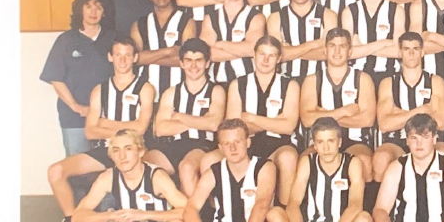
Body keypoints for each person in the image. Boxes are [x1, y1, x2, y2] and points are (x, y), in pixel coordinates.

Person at [43, 36, 155, 222]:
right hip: (107, 149)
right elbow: (90, 131)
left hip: (134, 152)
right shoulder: (100, 90)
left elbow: (140, 129)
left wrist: (105, 122)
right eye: (118, 55)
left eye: (127, 55)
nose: (123, 60)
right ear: (110, 57)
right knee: (56, 171)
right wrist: (124, 126)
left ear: (135, 58)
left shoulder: (145, 88)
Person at [174, 119, 282, 222]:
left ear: (248, 142)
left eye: (237, 142)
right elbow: (190, 209)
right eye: (227, 143)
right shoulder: (214, 172)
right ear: (220, 147)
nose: (233, 148)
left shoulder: (264, 167)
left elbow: (262, 205)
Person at [68, 129, 186, 222]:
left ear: (140, 152)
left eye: (128, 149)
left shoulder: (156, 177)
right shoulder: (108, 177)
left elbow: (188, 211)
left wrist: (145, 215)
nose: (122, 156)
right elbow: (77, 216)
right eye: (116, 151)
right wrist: (109, 217)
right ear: (111, 155)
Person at [266, 117, 372, 222]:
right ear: (314, 145)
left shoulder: (353, 162)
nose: (326, 148)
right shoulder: (307, 162)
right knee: (274, 213)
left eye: (331, 141)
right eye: (320, 142)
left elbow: (355, 206)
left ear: (339, 142)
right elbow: (293, 204)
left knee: (365, 220)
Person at [220, 36, 300, 205]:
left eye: (271, 55)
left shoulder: (290, 85)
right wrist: (274, 122)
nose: (265, 60)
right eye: (262, 54)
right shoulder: (238, 84)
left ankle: (284, 210)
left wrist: (251, 118)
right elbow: (233, 129)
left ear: (279, 58)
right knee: (210, 160)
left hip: (278, 145)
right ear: (254, 55)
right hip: (245, 145)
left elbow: (287, 127)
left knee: (288, 157)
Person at [40, 0, 116, 157]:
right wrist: (75, 106)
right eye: (88, 6)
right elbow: (56, 78)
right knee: (77, 164)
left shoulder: (114, 39)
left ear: (104, 12)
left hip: (109, 116)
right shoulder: (66, 40)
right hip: (75, 117)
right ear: (80, 10)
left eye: (99, 7)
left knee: (110, 162)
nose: (93, 11)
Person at [146, 39, 225, 196]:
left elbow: (214, 124)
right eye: (188, 60)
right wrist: (200, 120)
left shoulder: (216, 90)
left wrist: (178, 116)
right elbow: (160, 129)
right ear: (181, 63)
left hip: (202, 144)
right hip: (174, 144)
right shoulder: (171, 93)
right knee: (144, 165)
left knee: (187, 167)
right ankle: (172, 207)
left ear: (207, 63)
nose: (193, 66)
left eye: (199, 60)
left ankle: (195, 211)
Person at [373, 32, 444, 181]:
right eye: (406, 49)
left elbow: (441, 123)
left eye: (415, 49)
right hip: (397, 141)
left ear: (422, 52)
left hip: (429, 140)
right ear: (400, 53)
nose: (411, 53)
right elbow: (384, 124)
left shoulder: (435, 81)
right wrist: (421, 110)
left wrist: (399, 114)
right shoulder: (388, 83)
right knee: (381, 158)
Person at [299, 28, 377, 177]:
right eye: (332, 46)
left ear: (349, 51)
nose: (337, 51)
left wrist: (323, 115)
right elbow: (307, 120)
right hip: (321, 141)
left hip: (355, 140)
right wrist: (344, 111)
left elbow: (367, 120)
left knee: (364, 161)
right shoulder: (312, 80)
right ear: (325, 50)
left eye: (342, 46)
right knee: (305, 160)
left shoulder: (362, 79)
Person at [266, 0, 337, 82]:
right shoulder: (276, 18)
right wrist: (315, 44)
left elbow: (328, 54)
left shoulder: (328, 15)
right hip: (286, 81)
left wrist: (290, 51)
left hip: (319, 81)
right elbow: (277, 55)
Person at [130, 0, 195, 100]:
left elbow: (188, 60)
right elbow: (135, 59)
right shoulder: (139, 24)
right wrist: (169, 51)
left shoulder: (186, 21)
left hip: (179, 91)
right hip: (146, 93)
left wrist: (148, 57)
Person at [197, 0, 266, 84]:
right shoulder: (210, 18)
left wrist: (221, 44)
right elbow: (205, 54)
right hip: (215, 83)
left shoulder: (256, 17)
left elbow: (253, 49)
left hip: (247, 82)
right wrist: (242, 50)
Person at [342, 0, 404, 87]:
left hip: (389, 75)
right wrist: (383, 43)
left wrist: (362, 47)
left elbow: (399, 51)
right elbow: (348, 53)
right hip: (358, 75)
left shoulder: (397, 10)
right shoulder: (350, 12)